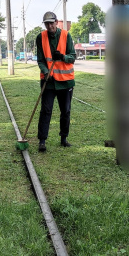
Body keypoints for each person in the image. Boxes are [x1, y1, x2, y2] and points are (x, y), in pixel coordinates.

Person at [35, 11, 76, 152]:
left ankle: (64, 139)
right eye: (47, 24)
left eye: (51, 23)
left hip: (65, 81)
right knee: (45, 110)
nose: (49, 26)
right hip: (49, 81)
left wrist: (63, 57)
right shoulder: (40, 37)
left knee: (65, 111)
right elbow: (40, 60)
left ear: (57, 22)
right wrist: (46, 72)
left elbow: (73, 57)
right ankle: (42, 140)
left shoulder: (66, 35)